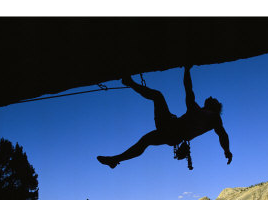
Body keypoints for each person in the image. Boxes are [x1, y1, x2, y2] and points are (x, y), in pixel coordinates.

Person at [97, 65, 232, 169]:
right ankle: (114, 160)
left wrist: (186, 70)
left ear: (212, 106)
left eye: (212, 99)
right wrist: (226, 150)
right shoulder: (213, 120)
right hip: (173, 136)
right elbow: (222, 135)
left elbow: (188, 88)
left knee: (157, 97)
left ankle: (129, 82)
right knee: (145, 141)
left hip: (170, 127)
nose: (210, 97)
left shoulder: (202, 112)